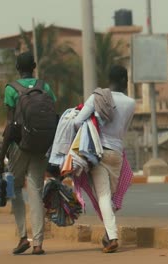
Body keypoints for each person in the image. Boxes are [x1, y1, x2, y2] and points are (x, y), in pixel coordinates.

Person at [0, 51, 56, 255]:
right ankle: (38, 243)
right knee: (35, 191)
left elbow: (11, 126)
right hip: (40, 147)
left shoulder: (11, 89)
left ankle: (22, 236)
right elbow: (54, 116)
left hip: (18, 147)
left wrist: (1, 156)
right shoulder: (44, 87)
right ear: (34, 66)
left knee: (14, 188)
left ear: (18, 69)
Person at [73, 65, 136, 253]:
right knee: (109, 197)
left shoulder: (96, 97)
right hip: (117, 153)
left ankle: (112, 237)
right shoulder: (131, 103)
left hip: (97, 152)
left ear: (109, 79)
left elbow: (77, 122)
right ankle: (108, 235)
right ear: (125, 81)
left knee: (103, 195)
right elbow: (124, 129)